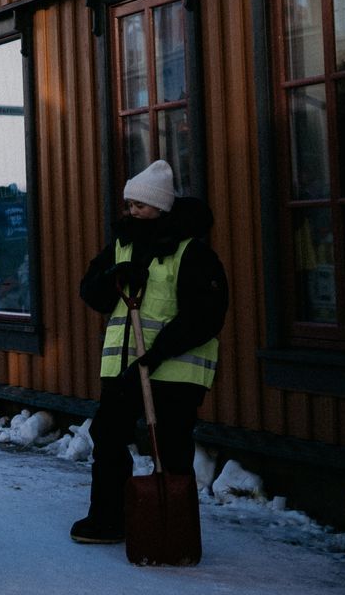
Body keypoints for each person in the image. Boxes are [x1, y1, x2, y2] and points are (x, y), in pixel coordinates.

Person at [70, 161, 228, 544]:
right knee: (108, 437)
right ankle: (109, 519)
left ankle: (174, 525)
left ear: (162, 207)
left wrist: (157, 353)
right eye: (130, 203)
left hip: (174, 370)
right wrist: (114, 278)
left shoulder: (191, 252)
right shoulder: (123, 245)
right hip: (124, 368)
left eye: (141, 204)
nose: (133, 210)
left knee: (171, 447)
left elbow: (205, 315)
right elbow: (91, 291)